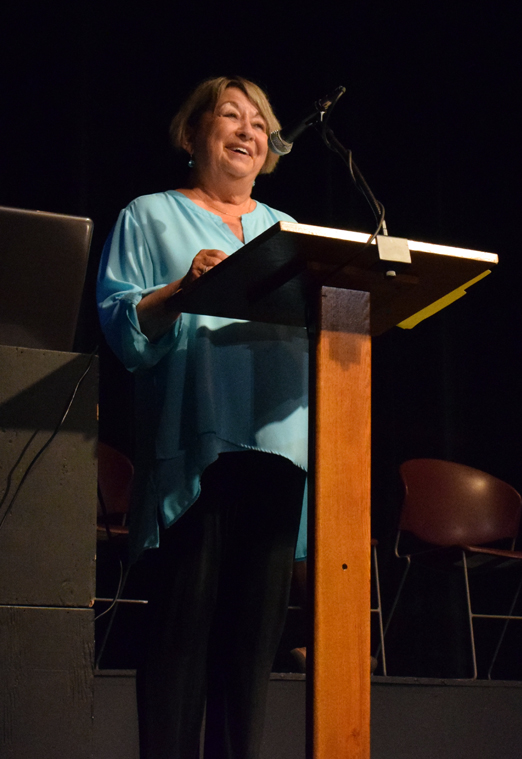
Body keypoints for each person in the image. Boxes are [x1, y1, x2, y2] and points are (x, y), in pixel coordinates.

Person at [97, 75, 308, 759]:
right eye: (230, 116)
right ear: (193, 134)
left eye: (259, 122)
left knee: (252, 652)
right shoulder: (149, 215)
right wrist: (183, 288)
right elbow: (123, 327)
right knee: (180, 645)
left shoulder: (290, 231)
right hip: (195, 447)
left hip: (280, 448)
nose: (248, 131)